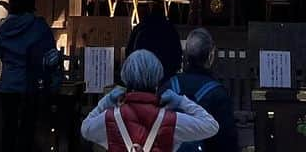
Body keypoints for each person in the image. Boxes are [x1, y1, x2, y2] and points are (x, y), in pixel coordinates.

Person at [81, 49, 218, 151]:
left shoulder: (110, 118)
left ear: (126, 79)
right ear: (157, 81)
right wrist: (181, 102)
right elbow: (211, 126)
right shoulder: (171, 120)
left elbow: (85, 129)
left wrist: (106, 102)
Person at [0, 0, 59, 152]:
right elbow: (50, 58)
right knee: (27, 132)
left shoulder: (3, 27)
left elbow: (0, 54)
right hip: (30, 84)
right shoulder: (38, 27)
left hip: (8, 84)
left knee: (7, 130)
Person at [165, 29, 237, 152]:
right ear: (210, 56)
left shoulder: (169, 86)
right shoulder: (218, 93)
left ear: (186, 55)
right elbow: (227, 141)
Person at [126, 10, 183, 82]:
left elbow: (129, 55)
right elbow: (178, 58)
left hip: (142, 76)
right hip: (166, 76)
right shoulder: (171, 30)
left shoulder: (139, 29)